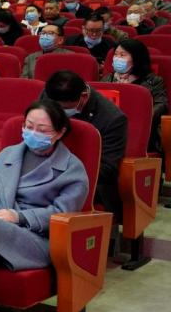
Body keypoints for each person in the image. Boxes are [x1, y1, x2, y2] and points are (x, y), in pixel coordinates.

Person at [0, 100, 88, 270]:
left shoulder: (72, 168)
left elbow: (62, 214)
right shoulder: (9, 153)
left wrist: (19, 217)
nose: (33, 133)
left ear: (60, 132)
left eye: (42, 130)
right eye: (29, 126)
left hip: (35, 237)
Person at [43, 71, 127, 222]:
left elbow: (108, 169)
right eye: (56, 107)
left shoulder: (112, 118)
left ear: (83, 97)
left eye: (65, 108)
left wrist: (61, 174)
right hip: (46, 168)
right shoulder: (49, 95)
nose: (59, 112)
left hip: (87, 181)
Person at [102, 39, 168, 153]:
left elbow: (161, 105)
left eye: (122, 55)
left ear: (136, 59)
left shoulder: (153, 81)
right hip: (111, 126)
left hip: (139, 128)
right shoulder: (108, 79)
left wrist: (141, 119)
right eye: (116, 54)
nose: (117, 58)